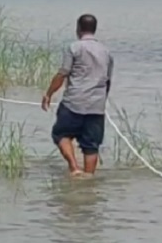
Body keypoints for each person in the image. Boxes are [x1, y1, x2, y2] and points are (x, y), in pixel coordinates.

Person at [41, 13, 114, 176]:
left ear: (78, 29)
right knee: (91, 146)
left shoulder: (74, 47)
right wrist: (102, 102)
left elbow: (62, 74)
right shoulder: (106, 52)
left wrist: (48, 94)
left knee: (60, 134)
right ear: (94, 29)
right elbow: (107, 81)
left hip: (73, 103)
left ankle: (74, 168)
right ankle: (88, 178)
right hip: (96, 107)